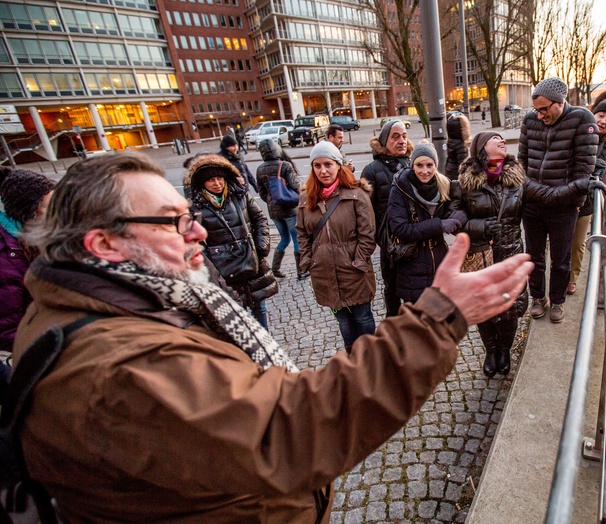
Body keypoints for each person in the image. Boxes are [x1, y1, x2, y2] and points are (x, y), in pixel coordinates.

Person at [13, 151, 533, 522]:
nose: (197, 232)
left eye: (190, 216)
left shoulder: (119, 299)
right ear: (103, 243)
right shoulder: (116, 370)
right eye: (173, 222)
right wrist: (440, 316)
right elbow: (290, 428)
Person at [459, 132, 601, 376]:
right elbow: (456, 219)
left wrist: (580, 185)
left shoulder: (518, 179)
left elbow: (548, 195)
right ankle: (491, 351)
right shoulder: (465, 181)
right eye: (496, 139)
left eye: (503, 138)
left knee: (509, 310)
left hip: (510, 255)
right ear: (482, 147)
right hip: (481, 257)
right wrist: (479, 227)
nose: (503, 141)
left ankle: (504, 351)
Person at [519, 77, 599, 323]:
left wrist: (565, 197)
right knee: (533, 256)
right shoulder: (530, 121)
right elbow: (521, 165)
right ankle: (537, 298)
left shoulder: (583, 119)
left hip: (563, 206)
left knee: (561, 259)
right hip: (532, 204)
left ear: (560, 102)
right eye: (537, 109)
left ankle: (557, 301)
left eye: (544, 109)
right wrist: (534, 191)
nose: (540, 115)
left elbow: (583, 171)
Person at [297, 142, 377, 352]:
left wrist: (358, 262)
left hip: (353, 271)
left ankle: (372, 357)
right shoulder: (307, 198)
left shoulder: (356, 194)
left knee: (362, 316)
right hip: (324, 272)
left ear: (338, 165)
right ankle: (353, 357)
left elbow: (368, 234)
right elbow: (302, 233)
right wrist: (309, 261)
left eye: (328, 164)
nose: (323, 171)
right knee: (343, 321)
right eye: (317, 165)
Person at [188, 154, 277, 329]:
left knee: (259, 308)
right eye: (211, 180)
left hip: (251, 264)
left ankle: (265, 343)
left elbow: (259, 218)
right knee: (238, 313)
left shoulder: (239, 195)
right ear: (202, 183)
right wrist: (212, 264)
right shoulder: (196, 207)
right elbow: (194, 240)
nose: (217, 183)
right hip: (225, 270)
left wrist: (261, 247)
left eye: (220, 178)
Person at [387, 142, 463, 305]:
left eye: (430, 165)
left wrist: (459, 217)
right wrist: (439, 225)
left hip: (440, 261)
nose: (425, 170)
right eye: (419, 165)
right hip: (412, 265)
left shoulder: (444, 185)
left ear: (435, 165)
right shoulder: (400, 188)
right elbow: (401, 229)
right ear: (412, 165)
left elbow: (458, 210)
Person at [0, 168, 54, 365]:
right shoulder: (6, 257)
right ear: (30, 210)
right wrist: (58, 347)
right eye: (50, 206)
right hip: (41, 352)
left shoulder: (38, 239)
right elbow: (6, 328)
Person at [568, 98, 606, 295]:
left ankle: (572, 278)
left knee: (579, 242)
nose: (603, 121)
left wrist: (602, 170)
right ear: (593, 114)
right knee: (563, 239)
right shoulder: (579, 133)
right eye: (600, 116)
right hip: (570, 195)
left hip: (588, 201)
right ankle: (560, 275)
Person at [361, 120, 413, 317]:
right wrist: (382, 240)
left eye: (404, 136)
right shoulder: (372, 170)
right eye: (395, 136)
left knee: (414, 287)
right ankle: (394, 327)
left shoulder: (412, 163)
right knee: (392, 288)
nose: (402, 141)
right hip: (389, 244)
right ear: (384, 140)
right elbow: (367, 214)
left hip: (414, 238)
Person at [256, 138, 306, 280]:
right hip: (289, 208)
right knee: (296, 239)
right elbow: (296, 186)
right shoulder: (285, 165)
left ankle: (276, 268)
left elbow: (262, 193)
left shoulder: (260, 169)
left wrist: (272, 202)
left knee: (284, 238)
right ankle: (301, 271)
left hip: (274, 211)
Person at [445, 113, 470, 181]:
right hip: (456, 174)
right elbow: (462, 164)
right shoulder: (461, 145)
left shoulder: (451, 141)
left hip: (449, 171)